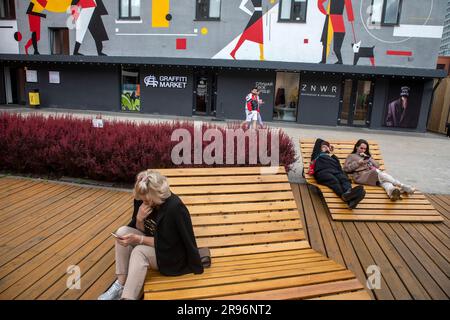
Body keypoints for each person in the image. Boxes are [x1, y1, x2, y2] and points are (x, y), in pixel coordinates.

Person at [98, 170, 203, 300]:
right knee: (122, 232)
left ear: (155, 196)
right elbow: (144, 230)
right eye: (141, 200)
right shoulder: (144, 199)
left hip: (172, 256)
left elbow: (168, 244)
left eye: (146, 201)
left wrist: (139, 239)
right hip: (155, 246)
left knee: (139, 251)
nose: (143, 203)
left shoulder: (174, 208)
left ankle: (128, 297)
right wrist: (139, 219)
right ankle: (120, 285)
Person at [343, 139, 415, 201]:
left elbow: (377, 166)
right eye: (361, 148)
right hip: (361, 176)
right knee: (379, 173)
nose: (363, 150)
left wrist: (369, 158)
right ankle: (402, 186)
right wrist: (358, 163)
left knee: (384, 182)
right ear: (356, 147)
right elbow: (345, 169)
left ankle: (392, 193)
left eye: (365, 149)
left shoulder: (367, 156)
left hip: (372, 175)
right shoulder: (351, 156)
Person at [311, 138, 365, 209]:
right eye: (324, 146)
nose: (326, 148)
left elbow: (339, 168)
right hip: (323, 172)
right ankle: (348, 198)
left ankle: (349, 194)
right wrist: (326, 147)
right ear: (319, 148)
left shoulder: (333, 157)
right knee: (334, 180)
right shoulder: (317, 154)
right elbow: (318, 141)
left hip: (336, 171)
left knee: (343, 179)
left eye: (327, 147)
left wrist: (345, 176)